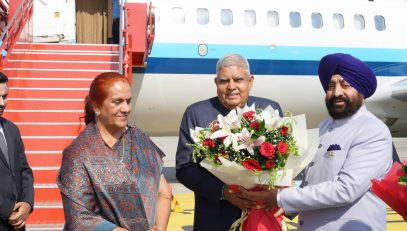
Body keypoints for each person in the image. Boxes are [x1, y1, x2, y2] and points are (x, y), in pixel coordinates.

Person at [241, 53, 393, 230]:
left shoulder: (372, 130)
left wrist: (281, 197)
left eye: (345, 85)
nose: (336, 93)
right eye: (331, 86)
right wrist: (284, 205)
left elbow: (346, 190)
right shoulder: (323, 127)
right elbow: (312, 182)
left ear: (360, 91)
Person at [175, 54, 283, 231]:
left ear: (250, 81)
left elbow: (285, 164)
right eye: (224, 81)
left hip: (263, 216)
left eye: (238, 80)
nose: (231, 87)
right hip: (215, 219)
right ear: (216, 82)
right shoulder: (197, 113)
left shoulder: (270, 110)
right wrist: (223, 192)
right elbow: (185, 169)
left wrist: (281, 198)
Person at [57, 72, 172, 231]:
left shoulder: (141, 141)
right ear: (97, 105)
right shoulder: (79, 153)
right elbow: (79, 218)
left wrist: (159, 227)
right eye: (117, 102)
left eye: (128, 101)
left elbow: (164, 192)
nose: (126, 108)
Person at [0, 72, 34, 230]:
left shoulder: (12, 129)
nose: (2, 103)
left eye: (5, 96)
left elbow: (24, 170)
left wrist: (27, 203)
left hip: (17, 223)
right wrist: (8, 211)